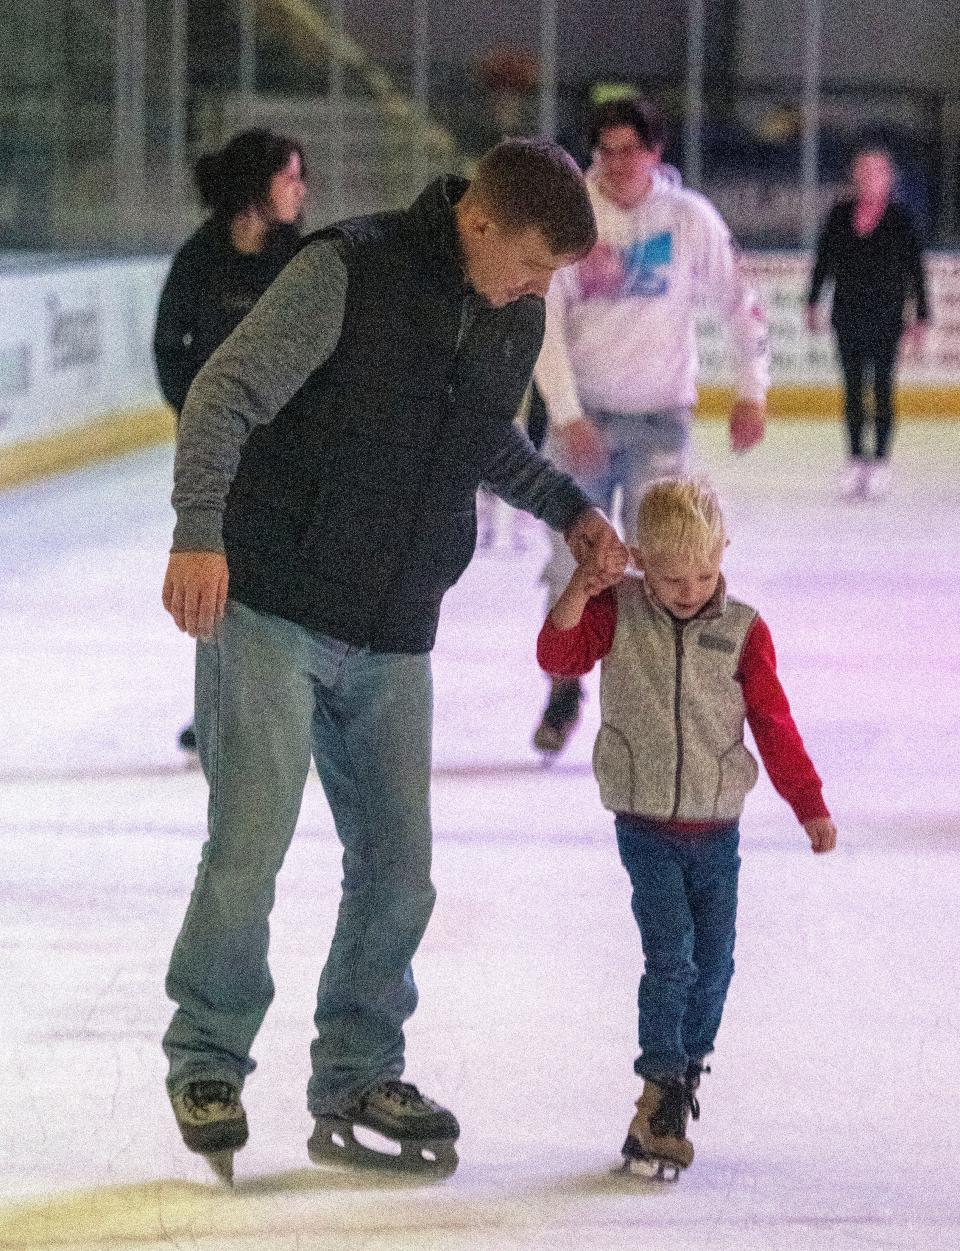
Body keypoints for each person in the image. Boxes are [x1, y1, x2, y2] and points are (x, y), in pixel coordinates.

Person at [160, 137, 627, 1183]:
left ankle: (360, 1070)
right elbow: (221, 394)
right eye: (534, 262)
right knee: (250, 847)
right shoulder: (347, 271)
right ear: (479, 221)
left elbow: (480, 443)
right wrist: (199, 530)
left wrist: (568, 508)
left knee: (399, 869)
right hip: (272, 602)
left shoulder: (513, 313)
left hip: (396, 627)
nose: (539, 289)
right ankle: (208, 1061)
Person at [536, 475, 837, 1179]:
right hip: (645, 823)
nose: (690, 588)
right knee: (671, 956)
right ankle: (656, 1091)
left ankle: (683, 1074)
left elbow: (774, 723)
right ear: (640, 559)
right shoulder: (619, 611)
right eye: (671, 576)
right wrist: (581, 586)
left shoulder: (743, 629)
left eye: (704, 571)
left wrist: (810, 802)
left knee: (716, 964)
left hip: (717, 827)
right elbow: (559, 657)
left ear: (723, 551)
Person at [531, 97, 770, 755]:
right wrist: (569, 413)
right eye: (604, 151)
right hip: (586, 421)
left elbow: (740, 304)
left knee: (663, 566)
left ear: (655, 154)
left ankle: (653, 698)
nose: (616, 164)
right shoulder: (571, 218)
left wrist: (752, 390)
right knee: (565, 564)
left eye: (629, 150)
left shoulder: (690, 220)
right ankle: (562, 687)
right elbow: (544, 323)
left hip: (661, 419)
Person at [153, 127, 307, 752]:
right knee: (216, 577)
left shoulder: (303, 258)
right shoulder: (200, 257)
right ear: (259, 186)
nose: (301, 191)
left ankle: (289, 706)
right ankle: (215, 711)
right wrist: (198, 417)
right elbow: (170, 345)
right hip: (219, 452)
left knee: (288, 578)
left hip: (291, 445)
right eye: (290, 178)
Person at [806, 143, 929, 501]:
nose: (867, 178)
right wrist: (813, 302)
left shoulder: (901, 219)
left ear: (888, 178)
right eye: (862, 171)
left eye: (875, 172)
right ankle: (856, 458)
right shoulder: (838, 215)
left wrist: (920, 315)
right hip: (847, 315)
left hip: (888, 318)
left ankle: (880, 461)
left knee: (883, 389)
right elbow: (823, 260)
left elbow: (915, 271)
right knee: (853, 390)